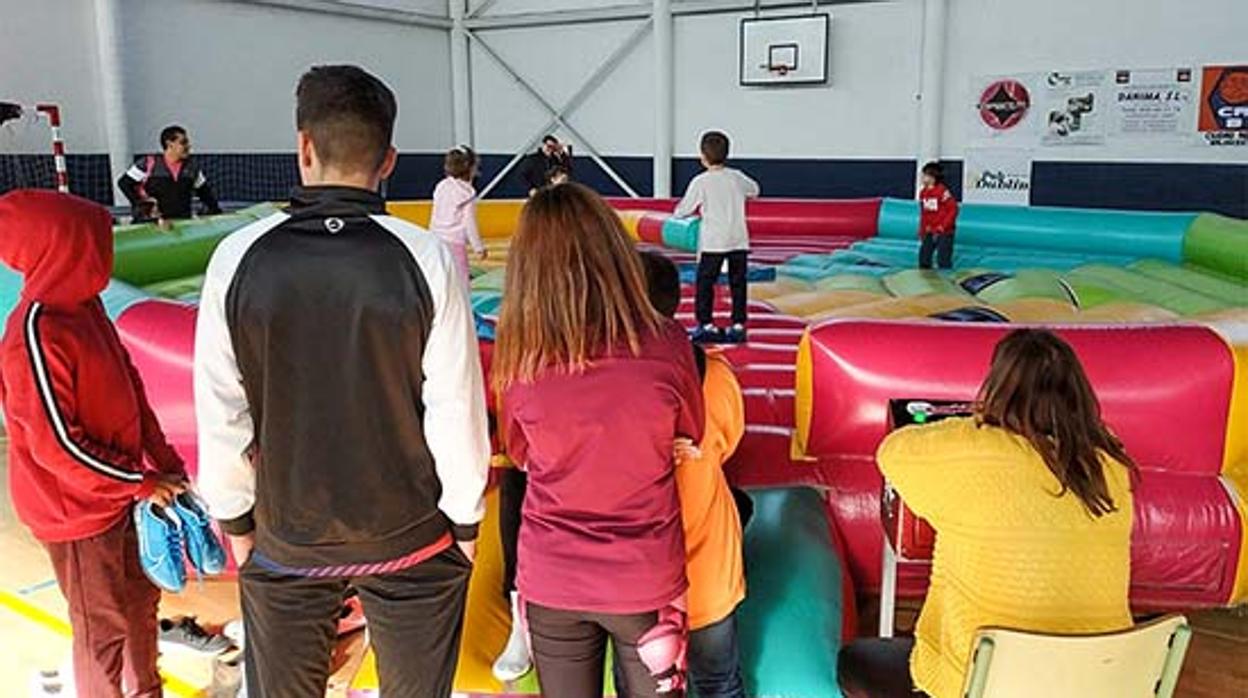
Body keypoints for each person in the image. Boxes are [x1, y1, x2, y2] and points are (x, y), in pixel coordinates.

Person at [194, 65, 490, 697]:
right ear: (388, 160)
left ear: (303, 147)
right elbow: (454, 404)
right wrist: (465, 523)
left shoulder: (239, 256)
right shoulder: (425, 256)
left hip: (288, 533)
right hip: (408, 532)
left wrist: (236, 520)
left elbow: (221, 411)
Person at [838, 329, 1137, 698]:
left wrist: (976, 419)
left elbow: (893, 450)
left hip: (983, 683)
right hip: (1102, 683)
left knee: (856, 658)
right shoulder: (1109, 467)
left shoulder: (976, 451)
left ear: (997, 389)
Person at [494, 183, 704, 698]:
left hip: (552, 575)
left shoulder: (520, 356)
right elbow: (689, 434)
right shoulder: (666, 341)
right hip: (643, 577)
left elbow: (520, 454)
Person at [0, 189, 188, 697]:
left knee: (140, 600)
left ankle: (145, 688)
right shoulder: (36, 333)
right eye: (95, 242)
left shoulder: (87, 309)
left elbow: (130, 388)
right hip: (75, 510)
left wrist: (164, 459)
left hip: (118, 494)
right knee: (101, 624)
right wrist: (141, 481)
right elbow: (55, 444)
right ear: (64, 247)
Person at [639, 251, 749, 698]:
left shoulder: (594, 378)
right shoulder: (711, 372)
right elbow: (728, 440)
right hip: (705, 561)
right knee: (718, 677)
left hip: (633, 569)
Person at [674, 131, 759, 345]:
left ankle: (706, 324)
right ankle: (738, 324)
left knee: (705, 282)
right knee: (738, 282)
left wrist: (677, 213)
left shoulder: (701, 181)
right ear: (727, 154)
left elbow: (684, 209)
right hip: (738, 239)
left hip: (713, 242)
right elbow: (755, 190)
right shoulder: (736, 177)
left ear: (702, 156)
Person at [118, 125, 222, 226]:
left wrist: (218, 214)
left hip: (181, 226)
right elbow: (124, 183)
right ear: (169, 144)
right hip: (151, 226)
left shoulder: (191, 169)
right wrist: (140, 204)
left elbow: (206, 194)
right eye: (183, 142)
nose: (188, 146)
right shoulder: (148, 164)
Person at [430, 145, 487, 285]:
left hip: (436, 239)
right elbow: (470, 223)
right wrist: (478, 247)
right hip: (455, 243)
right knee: (460, 282)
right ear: (471, 168)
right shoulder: (467, 193)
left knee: (440, 279)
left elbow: (435, 212)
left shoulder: (441, 186)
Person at [917, 161, 958, 270]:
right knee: (924, 256)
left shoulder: (942, 191)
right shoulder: (923, 193)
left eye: (925, 175)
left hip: (944, 231)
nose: (922, 178)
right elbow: (924, 213)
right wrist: (922, 230)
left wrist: (943, 226)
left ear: (932, 177)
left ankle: (945, 277)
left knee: (943, 258)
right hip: (930, 230)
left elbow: (953, 209)